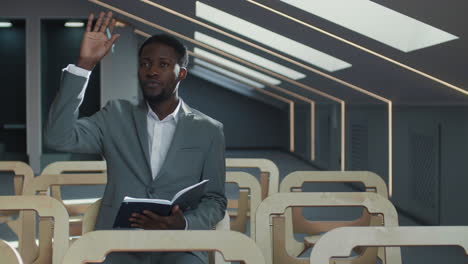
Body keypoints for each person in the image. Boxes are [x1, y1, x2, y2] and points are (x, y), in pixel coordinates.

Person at [44, 11, 226, 264]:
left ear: (181, 73)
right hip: (117, 244)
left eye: (163, 65)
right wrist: (84, 66)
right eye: (145, 63)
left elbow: (215, 200)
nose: (151, 71)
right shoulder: (114, 115)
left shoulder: (209, 129)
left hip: (179, 246)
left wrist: (184, 222)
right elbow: (58, 137)